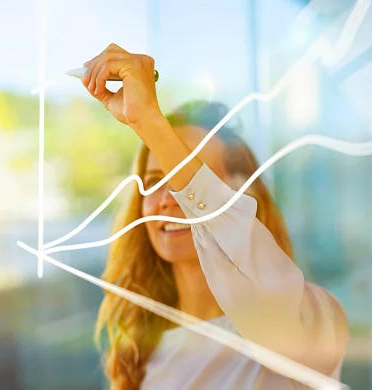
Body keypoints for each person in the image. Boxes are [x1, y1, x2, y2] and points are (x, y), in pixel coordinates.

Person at [81, 44, 349, 390]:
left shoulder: (307, 322)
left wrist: (148, 120)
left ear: (245, 200)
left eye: (187, 177)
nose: (168, 198)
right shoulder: (141, 351)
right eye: (152, 182)